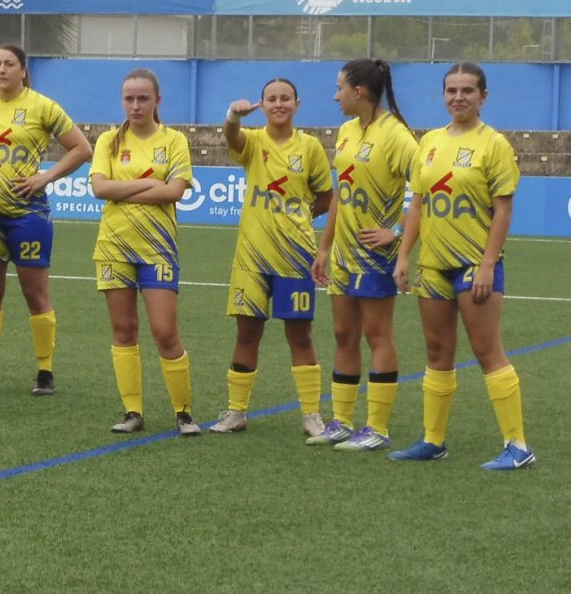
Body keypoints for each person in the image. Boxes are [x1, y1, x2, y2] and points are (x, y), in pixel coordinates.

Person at [389, 63, 535, 470]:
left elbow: (503, 210)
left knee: (487, 351)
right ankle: (433, 440)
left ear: (483, 96)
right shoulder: (430, 142)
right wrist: (404, 255)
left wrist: (488, 264)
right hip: (433, 265)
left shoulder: (494, 144)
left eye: (468, 90)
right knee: (437, 352)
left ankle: (518, 446)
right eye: (451, 90)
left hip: (474, 264)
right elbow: (418, 204)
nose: (458, 97)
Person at [0, 43, 92, 397]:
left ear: (23, 69)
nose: (2, 70)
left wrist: (45, 177)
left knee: (35, 295)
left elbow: (82, 148)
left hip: (29, 214)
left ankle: (45, 372)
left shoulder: (43, 106)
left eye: (9, 64)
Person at [207, 79, 332, 436]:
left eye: (285, 98)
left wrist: (300, 215)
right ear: (262, 105)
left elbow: (326, 196)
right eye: (272, 99)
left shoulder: (309, 147)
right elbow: (231, 136)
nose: (279, 104)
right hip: (252, 255)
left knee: (300, 334)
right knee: (247, 332)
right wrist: (233, 115)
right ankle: (236, 412)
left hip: (295, 254)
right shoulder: (254, 141)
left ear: (297, 104)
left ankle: (311, 414)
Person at [309, 59, 417, 451]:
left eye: (339, 88)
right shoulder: (346, 131)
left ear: (358, 92)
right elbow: (341, 193)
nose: (335, 96)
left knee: (377, 334)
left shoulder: (397, 136)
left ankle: (377, 428)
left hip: (376, 256)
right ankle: (341, 421)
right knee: (343, 333)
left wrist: (398, 233)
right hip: (342, 254)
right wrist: (325, 246)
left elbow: (426, 193)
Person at [89, 67, 199, 436]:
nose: (135, 105)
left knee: (165, 331)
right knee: (124, 329)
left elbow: (175, 192)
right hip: (113, 246)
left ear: (157, 100)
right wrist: (150, 182)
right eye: (129, 99)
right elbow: (99, 189)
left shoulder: (174, 140)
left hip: (158, 248)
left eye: (143, 98)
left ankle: (183, 413)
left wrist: (124, 188)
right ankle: (133, 412)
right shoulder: (109, 141)